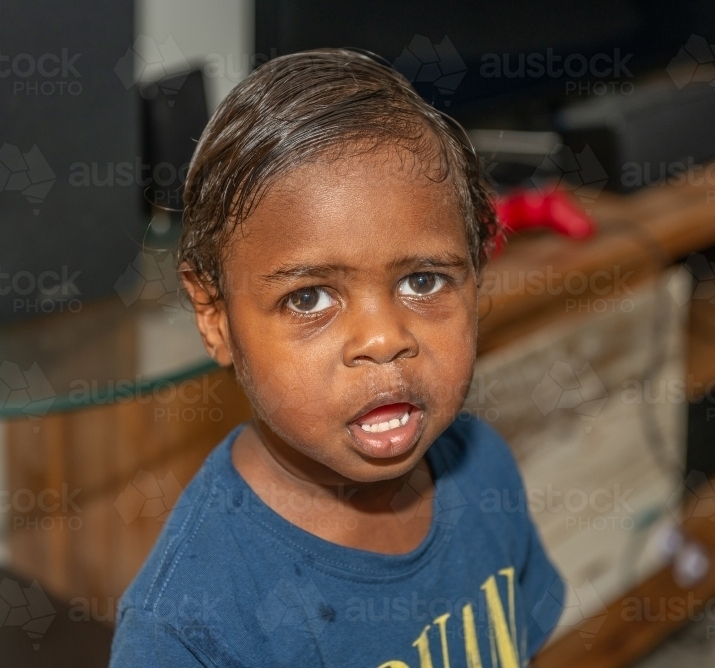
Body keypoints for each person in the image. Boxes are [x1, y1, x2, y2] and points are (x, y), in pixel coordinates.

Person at [110, 48, 565, 668]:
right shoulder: (189, 624)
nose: (383, 339)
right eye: (309, 297)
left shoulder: (484, 470)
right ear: (215, 317)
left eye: (425, 282)